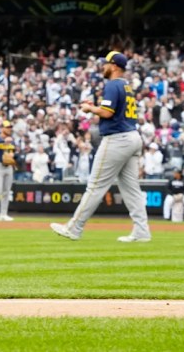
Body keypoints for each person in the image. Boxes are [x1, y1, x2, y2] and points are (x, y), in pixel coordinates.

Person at [51, 51, 152, 242]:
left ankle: (74, 228)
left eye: (106, 63)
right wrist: (96, 106)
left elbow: (106, 113)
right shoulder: (126, 85)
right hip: (132, 137)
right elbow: (111, 111)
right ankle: (142, 231)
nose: (103, 66)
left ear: (114, 66)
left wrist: (90, 108)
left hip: (117, 139)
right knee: (132, 189)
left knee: (95, 186)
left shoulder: (113, 84)